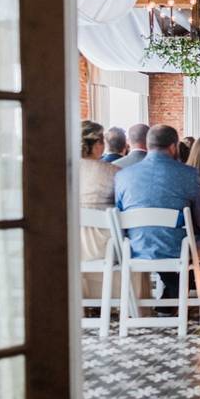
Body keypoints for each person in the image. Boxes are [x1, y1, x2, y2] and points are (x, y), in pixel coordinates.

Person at [114, 125, 200, 304]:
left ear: (147, 144)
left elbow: (119, 213)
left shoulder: (123, 175)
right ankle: (178, 286)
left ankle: (172, 287)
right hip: (177, 249)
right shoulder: (188, 174)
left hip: (135, 248)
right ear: (174, 146)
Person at [80, 121, 121, 300]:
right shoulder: (114, 172)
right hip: (104, 247)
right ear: (97, 144)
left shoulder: (63, 170)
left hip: (72, 244)